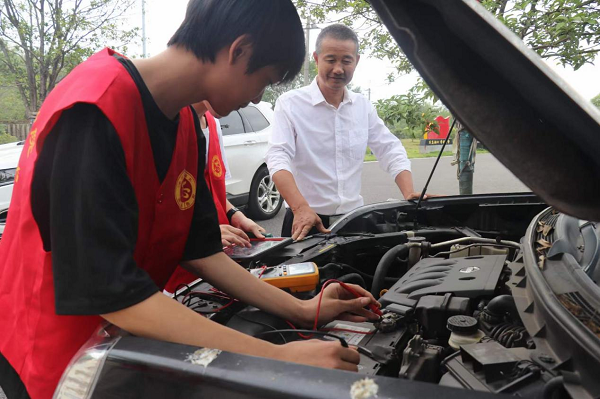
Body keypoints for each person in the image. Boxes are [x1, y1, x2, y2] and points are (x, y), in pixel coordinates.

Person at [0, 3, 380, 398]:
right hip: (54, 355)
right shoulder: (94, 109)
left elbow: (201, 251)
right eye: (264, 81)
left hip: (118, 348)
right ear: (240, 51)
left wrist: (301, 310)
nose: (256, 99)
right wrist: (278, 359)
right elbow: (113, 294)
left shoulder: (186, 126)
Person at [266, 24, 427, 241]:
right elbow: (278, 158)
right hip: (305, 220)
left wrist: (409, 192)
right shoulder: (290, 104)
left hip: (354, 221)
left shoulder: (363, 106)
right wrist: (300, 208)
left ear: (357, 61)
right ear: (316, 58)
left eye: (346, 61)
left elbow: (389, 148)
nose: (339, 69)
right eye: (331, 60)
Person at [163, 102, 265, 295]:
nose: (254, 100)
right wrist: (203, 233)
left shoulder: (212, 122)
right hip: (181, 269)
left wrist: (237, 216)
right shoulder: (170, 122)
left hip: (220, 253)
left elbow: (214, 191)